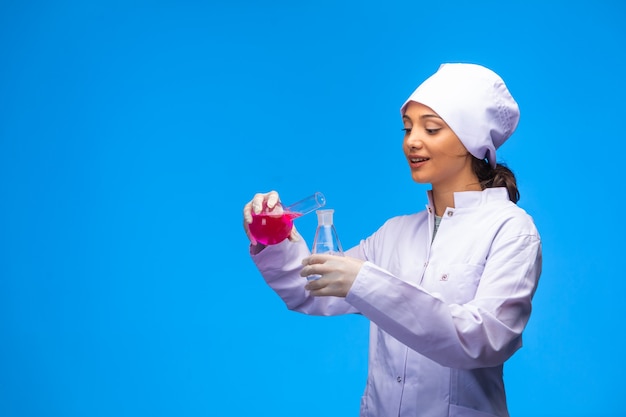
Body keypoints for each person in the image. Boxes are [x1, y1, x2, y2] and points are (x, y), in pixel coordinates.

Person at [242, 63, 542, 417]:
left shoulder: (511, 230)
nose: (412, 141)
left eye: (431, 128)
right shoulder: (395, 233)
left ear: (472, 141)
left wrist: (366, 283)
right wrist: (275, 239)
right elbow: (311, 289)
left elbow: (483, 339)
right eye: (407, 128)